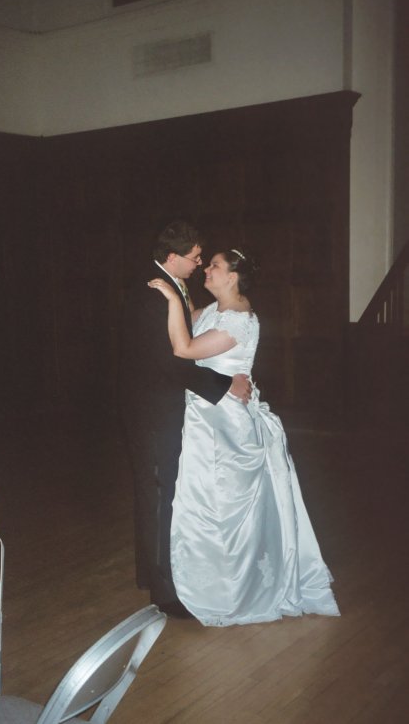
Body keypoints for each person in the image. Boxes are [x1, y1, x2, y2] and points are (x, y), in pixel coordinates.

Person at [148, 247, 340, 626]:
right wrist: (180, 294)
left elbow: (183, 348)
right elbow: (188, 320)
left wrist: (171, 296)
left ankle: (233, 588)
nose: (207, 269)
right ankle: (211, 580)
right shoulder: (216, 310)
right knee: (206, 504)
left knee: (223, 506)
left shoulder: (238, 320)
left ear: (232, 277)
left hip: (224, 425)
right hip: (205, 417)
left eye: (214, 266)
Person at [119, 221, 252, 618]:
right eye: (195, 257)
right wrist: (225, 384)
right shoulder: (154, 294)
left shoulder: (172, 284)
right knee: (159, 495)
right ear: (172, 257)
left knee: (159, 494)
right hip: (153, 411)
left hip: (163, 407)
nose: (199, 263)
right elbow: (170, 363)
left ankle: (154, 574)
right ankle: (164, 593)